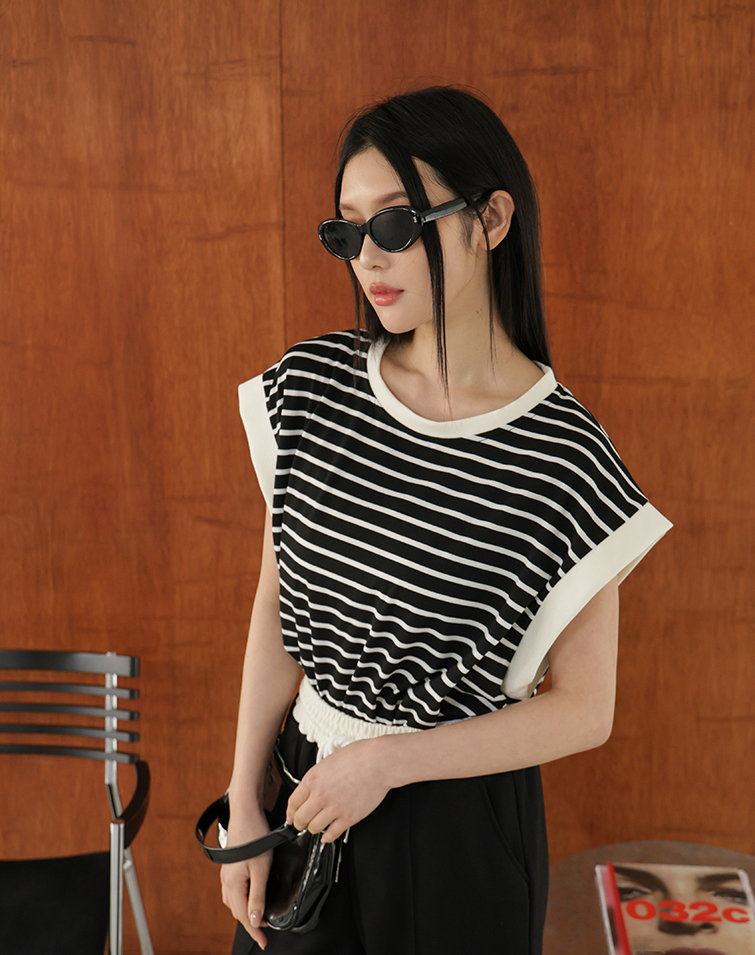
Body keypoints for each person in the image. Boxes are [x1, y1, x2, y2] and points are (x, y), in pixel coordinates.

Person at [220, 86, 672, 954]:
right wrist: (244, 798)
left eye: (394, 224)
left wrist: (388, 761)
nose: (367, 258)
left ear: (489, 219)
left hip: (458, 830)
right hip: (301, 793)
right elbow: (277, 607)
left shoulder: (563, 455)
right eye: (348, 232)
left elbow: (585, 709)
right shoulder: (310, 391)